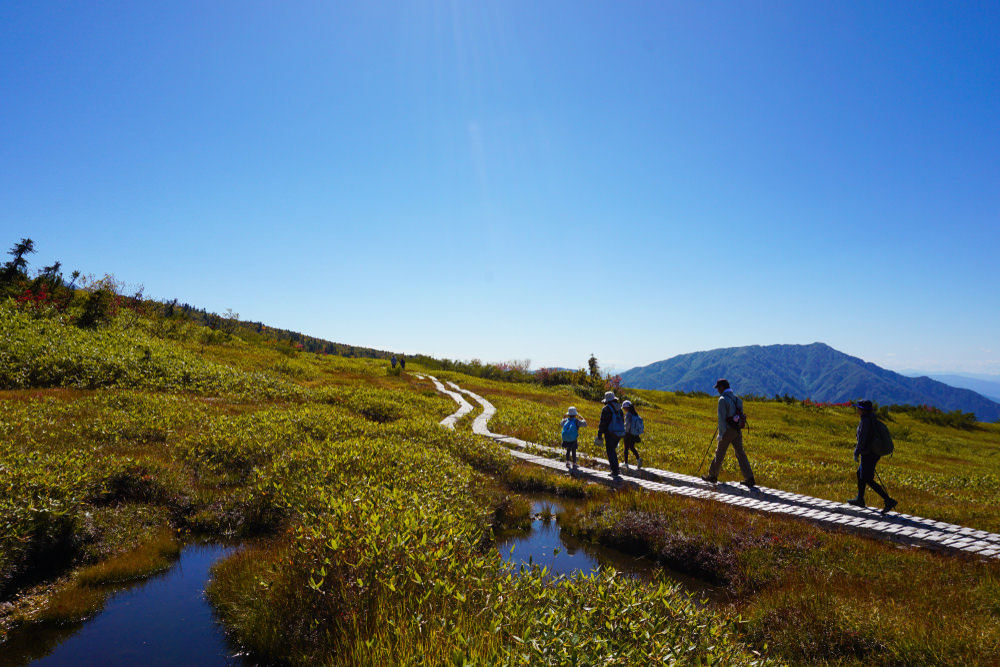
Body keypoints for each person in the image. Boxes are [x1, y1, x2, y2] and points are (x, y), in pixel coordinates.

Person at [702, 379, 756, 488]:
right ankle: (749, 478)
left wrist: (721, 434)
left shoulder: (722, 399)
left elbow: (721, 419)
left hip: (727, 430)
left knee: (720, 453)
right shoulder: (737, 399)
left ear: (722, 387)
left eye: (718, 388)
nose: (717, 390)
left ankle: (712, 476)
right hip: (737, 430)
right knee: (740, 453)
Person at [846, 400, 898, 513]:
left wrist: (856, 452)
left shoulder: (865, 421)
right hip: (873, 453)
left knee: (867, 479)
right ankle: (860, 498)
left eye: (858, 408)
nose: (857, 409)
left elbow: (862, 439)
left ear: (862, 410)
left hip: (868, 454)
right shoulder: (871, 418)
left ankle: (888, 500)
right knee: (860, 474)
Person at [596, 391, 624, 477]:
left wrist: (599, 434)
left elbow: (603, 423)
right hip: (619, 433)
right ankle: (616, 469)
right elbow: (622, 421)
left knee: (610, 451)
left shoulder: (605, 409)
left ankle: (615, 471)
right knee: (613, 450)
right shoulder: (620, 409)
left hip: (610, 433)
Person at [621, 400, 643, 469]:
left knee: (626, 448)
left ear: (627, 408)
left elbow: (627, 425)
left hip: (628, 434)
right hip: (634, 434)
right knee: (632, 447)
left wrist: (624, 433)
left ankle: (626, 463)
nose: (624, 409)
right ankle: (638, 459)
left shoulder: (628, 415)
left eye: (624, 408)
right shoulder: (635, 414)